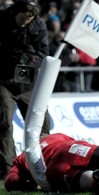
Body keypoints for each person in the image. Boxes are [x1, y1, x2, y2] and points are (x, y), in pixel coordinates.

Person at [0, 0, 50, 179]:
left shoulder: (39, 25)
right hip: (4, 81)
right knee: (4, 122)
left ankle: (46, 163)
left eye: (29, 19)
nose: (25, 22)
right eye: (22, 18)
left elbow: (44, 54)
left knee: (42, 124)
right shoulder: (2, 19)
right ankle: (8, 169)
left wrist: (25, 58)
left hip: (29, 83)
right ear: (15, 12)